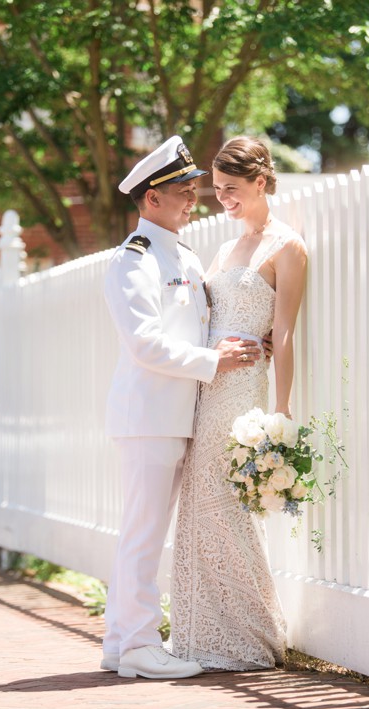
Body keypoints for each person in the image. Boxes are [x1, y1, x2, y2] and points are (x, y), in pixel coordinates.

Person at [101, 136, 266, 679]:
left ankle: (120, 642)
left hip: (175, 416)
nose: (193, 200)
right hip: (149, 416)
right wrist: (211, 361)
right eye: (183, 192)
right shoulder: (133, 261)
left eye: (194, 191)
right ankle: (142, 647)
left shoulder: (183, 254)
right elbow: (145, 342)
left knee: (141, 532)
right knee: (143, 534)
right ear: (151, 198)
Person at [171, 137, 307, 670]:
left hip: (244, 393)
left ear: (259, 181)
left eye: (230, 189)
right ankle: (201, 630)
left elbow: (286, 332)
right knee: (199, 508)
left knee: (230, 508)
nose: (221, 199)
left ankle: (251, 632)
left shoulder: (288, 248)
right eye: (216, 190)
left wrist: (284, 406)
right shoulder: (223, 251)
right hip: (206, 386)